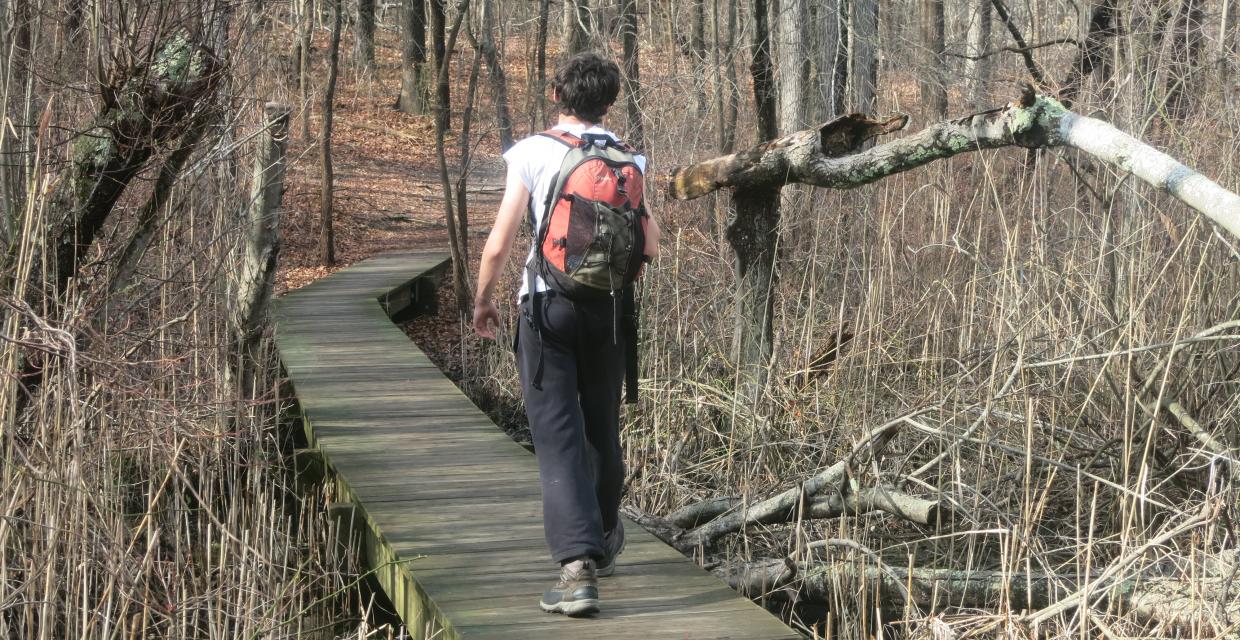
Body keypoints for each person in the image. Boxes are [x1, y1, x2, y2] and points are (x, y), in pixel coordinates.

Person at [472, 52, 660, 616]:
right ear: (610, 99)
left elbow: (501, 242)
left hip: (548, 307)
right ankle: (603, 534)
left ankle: (577, 568)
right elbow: (650, 247)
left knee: (557, 435)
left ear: (557, 95)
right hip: (609, 311)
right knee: (601, 423)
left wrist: (483, 300)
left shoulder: (532, 152)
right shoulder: (631, 160)